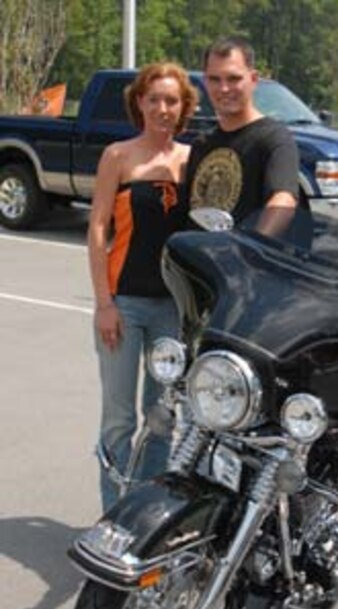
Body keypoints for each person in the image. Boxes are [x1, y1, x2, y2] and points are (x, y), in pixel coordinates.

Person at [88, 62, 198, 511]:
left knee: (162, 418)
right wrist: (103, 304)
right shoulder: (119, 156)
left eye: (172, 100)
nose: (162, 108)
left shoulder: (192, 161)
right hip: (125, 304)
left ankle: (147, 514)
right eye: (154, 99)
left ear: (184, 106)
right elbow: (97, 229)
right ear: (139, 103)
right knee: (119, 418)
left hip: (173, 310)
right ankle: (114, 514)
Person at [186, 35, 299, 231]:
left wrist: (254, 248)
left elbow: (284, 200)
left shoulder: (274, 139)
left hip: (244, 258)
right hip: (201, 258)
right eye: (215, 79)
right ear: (205, 82)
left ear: (254, 79)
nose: (224, 88)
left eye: (234, 78)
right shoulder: (202, 144)